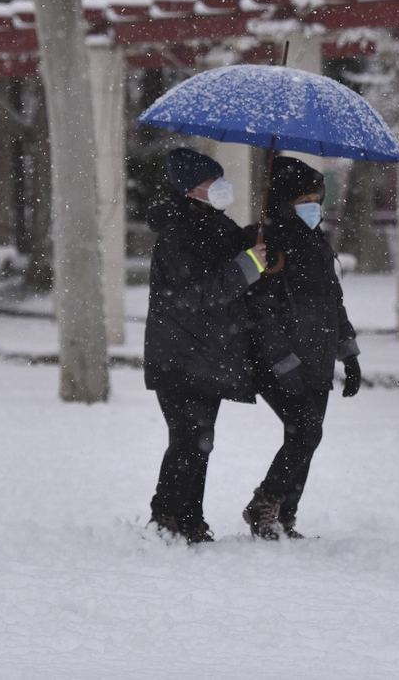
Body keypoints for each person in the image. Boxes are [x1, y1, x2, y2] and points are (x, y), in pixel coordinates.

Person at [143, 147, 269, 544]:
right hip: (179, 355)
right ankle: (165, 519)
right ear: (190, 189)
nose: (221, 186)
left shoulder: (214, 225)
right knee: (187, 441)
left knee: (200, 442)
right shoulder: (178, 233)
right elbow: (197, 293)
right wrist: (248, 264)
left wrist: (258, 237)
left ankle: (190, 520)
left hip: (204, 355)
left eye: (220, 179)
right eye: (212, 181)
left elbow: (230, 255)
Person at [243, 156, 361, 540]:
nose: (313, 206)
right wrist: (283, 362)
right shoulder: (269, 248)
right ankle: (264, 504)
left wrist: (349, 353)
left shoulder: (318, 244)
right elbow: (261, 313)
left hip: (318, 358)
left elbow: (334, 302)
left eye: (316, 199)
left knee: (306, 438)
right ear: (283, 202)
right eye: (303, 200)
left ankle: (284, 516)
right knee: (306, 433)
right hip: (280, 363)